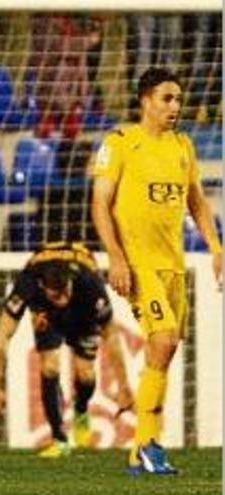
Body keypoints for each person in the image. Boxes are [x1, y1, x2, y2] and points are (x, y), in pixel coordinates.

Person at [91, 67, 223, 475]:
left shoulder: (182, 145)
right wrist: (115, 256)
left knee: (161, 354)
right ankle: (149, 444)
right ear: (145, 100)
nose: (175, 107)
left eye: (178, 99)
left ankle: (139, 454)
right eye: (167, 98)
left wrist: (217, 248)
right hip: (138, 264)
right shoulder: (120, 143)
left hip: (174, 266)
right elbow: (100, 203)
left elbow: (197, 203)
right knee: (163, 340)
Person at [0, 242, 133, 457]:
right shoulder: (28, 283)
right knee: (49, 367)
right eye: (57, 296)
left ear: (70, 281)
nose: (62, 301)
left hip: (82, 312)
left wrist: (124, 386)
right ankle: (59, 439)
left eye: (65, 292)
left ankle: (81, 407)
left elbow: (111, 335)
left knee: (86, 374)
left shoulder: (89, 283)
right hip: (47, 314)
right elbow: (2, 336)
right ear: (42, 287)